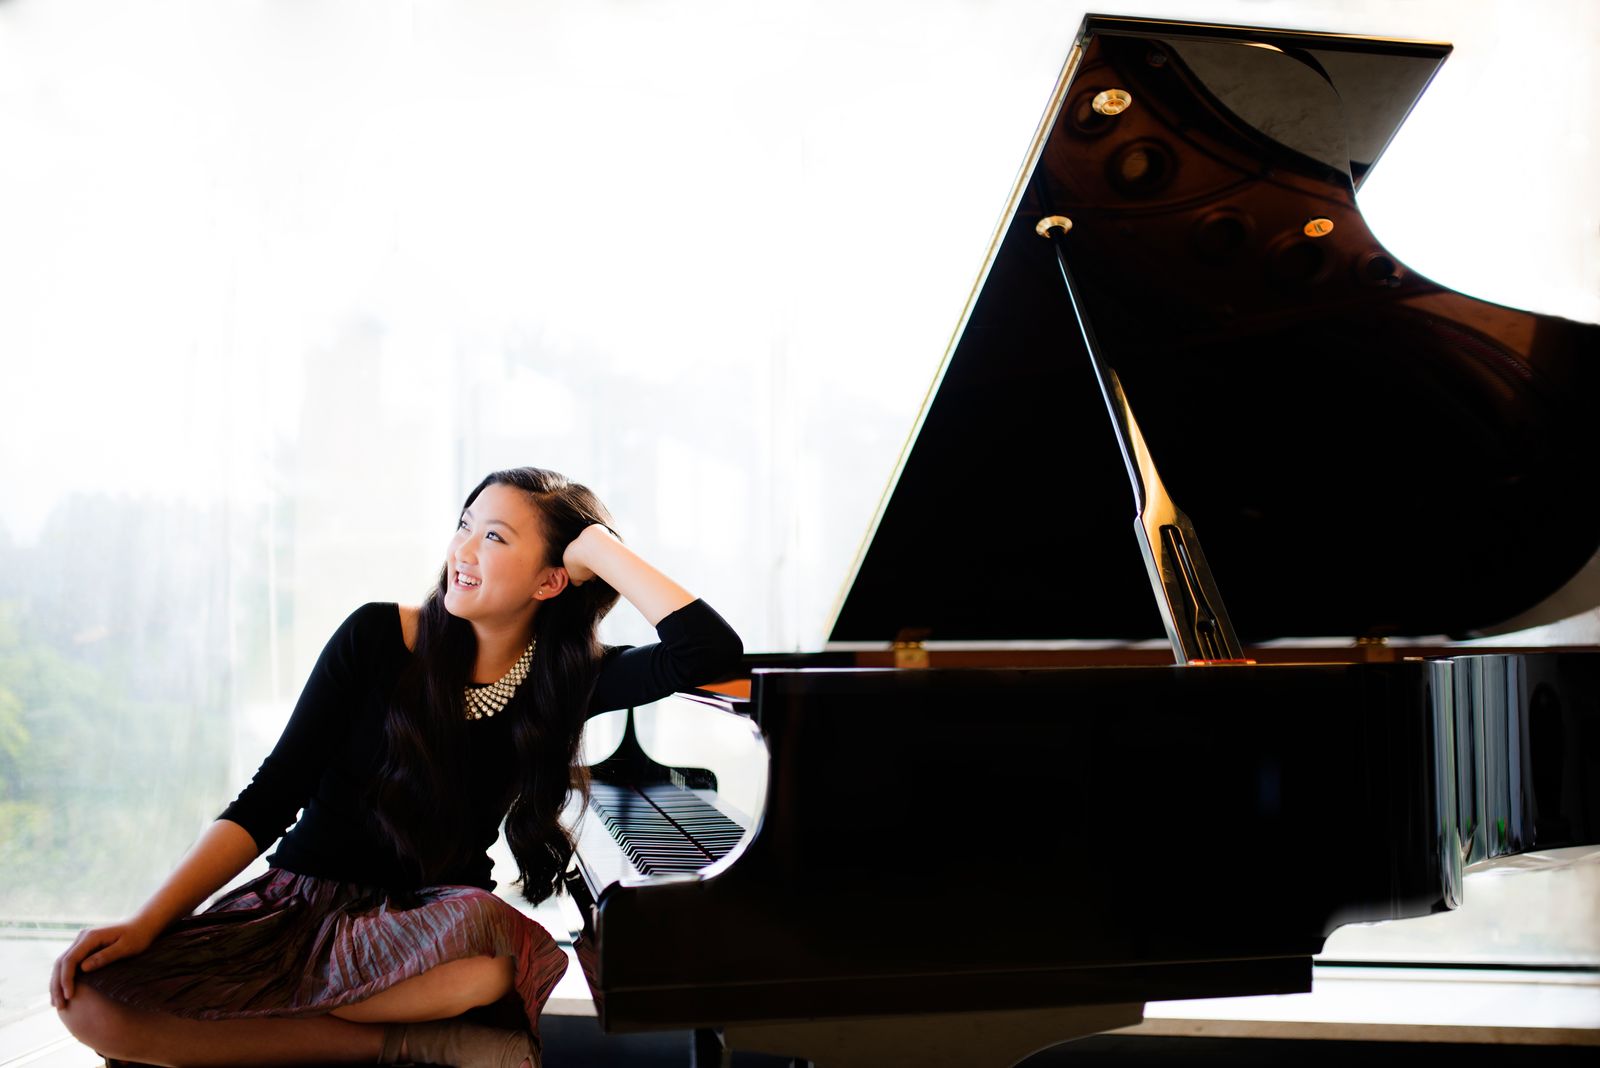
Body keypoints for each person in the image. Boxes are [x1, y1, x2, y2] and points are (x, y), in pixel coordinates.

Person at [49, 467, 744, 1067]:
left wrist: (598, 546)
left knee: (485, 953)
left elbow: (707, 651)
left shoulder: (569, 680)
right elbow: (269, 797)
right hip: (303, 913)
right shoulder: (378, 635)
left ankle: (265, 1034)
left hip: (428, 929)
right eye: (464, 525)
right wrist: (148, 922)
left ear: (551, 579)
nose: (463, 550)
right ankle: (402, 1043)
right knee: (91, 1001)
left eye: (495, 537)